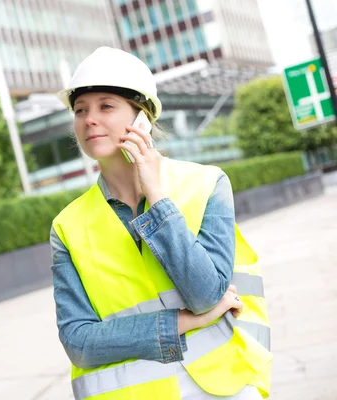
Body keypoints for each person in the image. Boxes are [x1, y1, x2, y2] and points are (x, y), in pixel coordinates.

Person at [50, 47, 272, 400]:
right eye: (80, 110)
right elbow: (79, 342)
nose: (89, 119)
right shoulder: (67, 225)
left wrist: (156, 195)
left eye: (106, 106)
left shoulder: (207, 184)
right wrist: (184, 323)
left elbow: (205, 294)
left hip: (222, 387)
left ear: (143, 117)